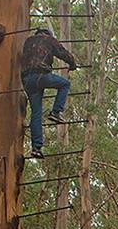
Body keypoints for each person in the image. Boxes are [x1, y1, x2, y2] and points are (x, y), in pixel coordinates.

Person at [19, 27, 77, 158]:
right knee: (65, 84)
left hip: (27, 80)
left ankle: (36, 148)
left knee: (36, 113)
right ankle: (56, 112)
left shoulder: (27, 42)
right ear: (48, 34)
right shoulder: (48, 40)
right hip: (41, 75)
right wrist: (72, 64)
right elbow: (63, 53)